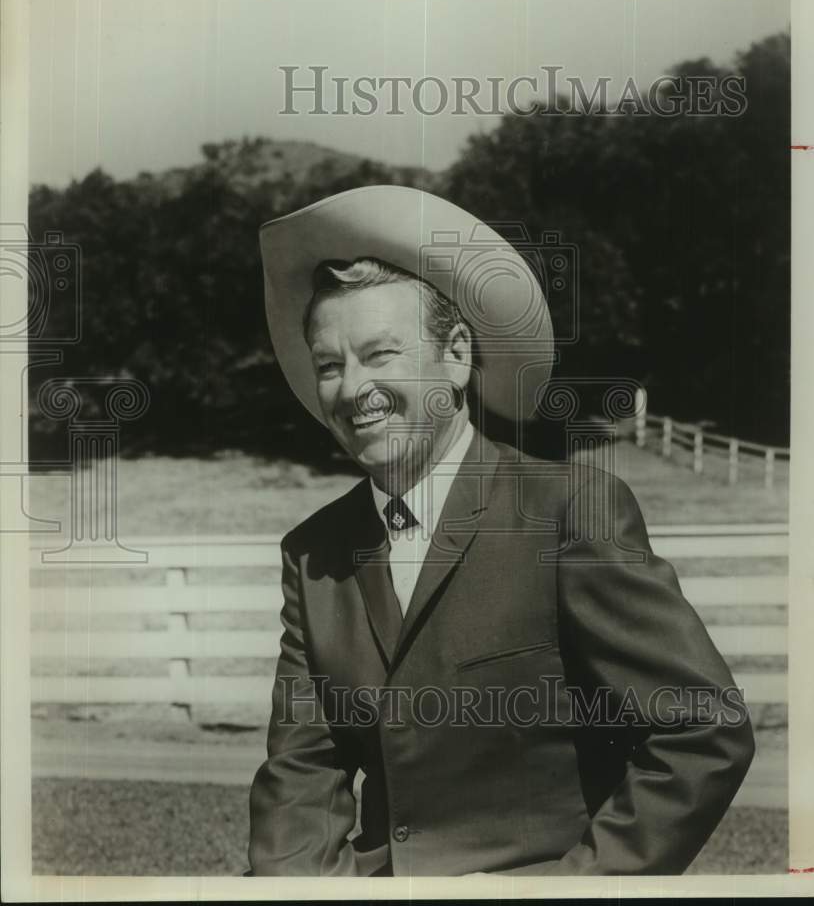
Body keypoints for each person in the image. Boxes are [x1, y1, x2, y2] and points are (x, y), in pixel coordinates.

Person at [247, 185, 754, 877]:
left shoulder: (569, 511)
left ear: (456, 356)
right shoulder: (314, 552)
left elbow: (703, 727)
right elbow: (303, 771)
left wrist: (577, 889)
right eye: (330, 364)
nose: (349, 387)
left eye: (380, 354)